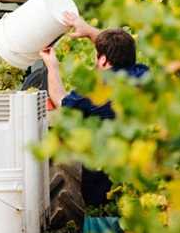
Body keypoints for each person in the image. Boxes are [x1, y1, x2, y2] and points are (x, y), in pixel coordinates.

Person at [39, 12, 149, 206]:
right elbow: (119, 49)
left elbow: (60, 100)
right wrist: (89, 30)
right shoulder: (143, 74)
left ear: (104, 60)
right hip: (140, 176)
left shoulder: (93, 90)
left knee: (104, 224)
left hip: (103, 186)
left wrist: (52, 66)